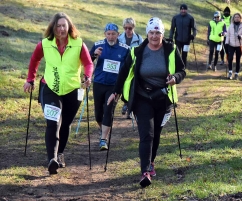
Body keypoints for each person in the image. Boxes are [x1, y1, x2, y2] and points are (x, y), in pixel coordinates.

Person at [107, 17, 186, 188]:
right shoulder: (137, 51)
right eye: (151, 32)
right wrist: (116, 92)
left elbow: (182, 71)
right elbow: (123, 72)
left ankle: (151, 162)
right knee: (147, 134)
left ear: (162, 34)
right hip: (142, 97)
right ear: (147, 33)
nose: (154, 36)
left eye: (158, 32)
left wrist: (175, 78)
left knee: (156, 134)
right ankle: (145, 171)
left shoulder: (171, 49)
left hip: (163, 98)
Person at [23, 12, 93, 175]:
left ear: (69, 27)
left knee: (65, 123)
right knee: (53, 122)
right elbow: (34, 60)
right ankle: (52, 159)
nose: (61, 29)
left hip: (73, 89)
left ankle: (60, 153)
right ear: (53, 28)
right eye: (58, 26)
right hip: (50, 88)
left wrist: (88, 77)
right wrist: (30, 79)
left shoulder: (78, 44)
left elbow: (88, 63)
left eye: (64, 25)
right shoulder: (44, 44)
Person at [89, 23, 130, 151]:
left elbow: (129, 68)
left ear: (118, 35)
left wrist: (124, 85)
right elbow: (87, 62)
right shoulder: (98, 45)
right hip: (99, 83)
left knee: (108, 110)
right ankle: (103, 129)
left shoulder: (125, 49)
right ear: (105, 34)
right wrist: (94, 55)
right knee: (98, 114)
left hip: (114, 86)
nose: (111, 37)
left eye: (113, 34)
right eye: (108, 34)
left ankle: (103, 139)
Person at [118, 17, 143, 119]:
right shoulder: (119, 38)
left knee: (132, 86)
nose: (128, 30)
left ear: (133, 27)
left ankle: (129, 107)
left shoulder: (138, 38)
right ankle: (125, 103)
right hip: (123, 65)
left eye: (130, 28)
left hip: (134, 66)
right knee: (123, 85)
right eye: (126, 28)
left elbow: (142, 51)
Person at [225, 13, 242, 80]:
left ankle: (237, 73)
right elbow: (228, 35)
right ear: (233, 18)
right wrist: (226, 42)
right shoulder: (231, 26)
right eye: (235, 17)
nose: (236, 18)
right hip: (231, 45)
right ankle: (230, 72)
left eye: (238, 17)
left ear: (240, 18)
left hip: (239, 45)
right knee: (230, 58)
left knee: (238, 60)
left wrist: (241, 36)